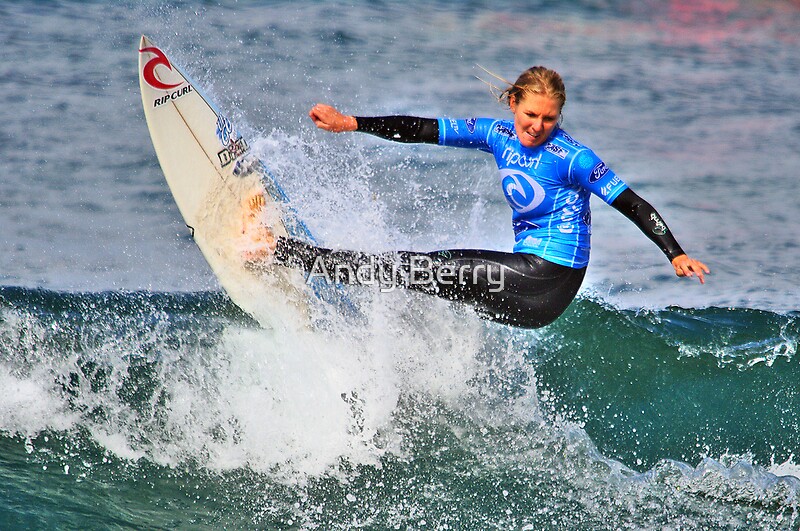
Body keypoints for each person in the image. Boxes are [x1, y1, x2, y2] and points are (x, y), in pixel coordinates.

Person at [248, 66, 709, 328]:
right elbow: (423, 130)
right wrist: (353, 123)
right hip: (524, 286)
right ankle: (341, 310)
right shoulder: (496, 134)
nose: (538, 126)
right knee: (422, 276)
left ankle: (284, 252)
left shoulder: (574, 158)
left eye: (549, 119)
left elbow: (632, 203)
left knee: (422, 268)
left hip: (546, 280)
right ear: (513, 104)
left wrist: (675, 253)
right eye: (531, 114)